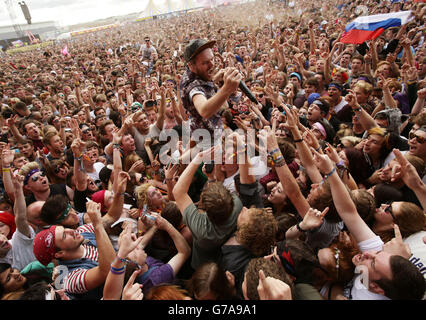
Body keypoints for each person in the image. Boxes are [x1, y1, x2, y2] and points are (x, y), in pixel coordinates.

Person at [180, 39, 243, 150]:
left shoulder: (197, 75)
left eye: (212, 59)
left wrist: (215, 78)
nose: (212, 65)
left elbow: (205, 85)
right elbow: (204, 110)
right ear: (191, 66)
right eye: (205, 63)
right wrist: (227, 88)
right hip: (208, 146)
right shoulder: (193, 86)